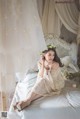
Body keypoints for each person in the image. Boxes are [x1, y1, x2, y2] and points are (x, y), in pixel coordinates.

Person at [13, 44, 65, 111]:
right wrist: (43, 63)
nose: (52, 57)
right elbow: (40, 75)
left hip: (54, 82)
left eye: (53, 55)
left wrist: (48, 70)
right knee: (40, 84)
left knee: (41, 82)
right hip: (45, 79)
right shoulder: (41, 62)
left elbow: (51, 79)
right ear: (44, 55)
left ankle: (26, 101)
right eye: (49, 54)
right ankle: (27, 101)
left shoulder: (55, 64)